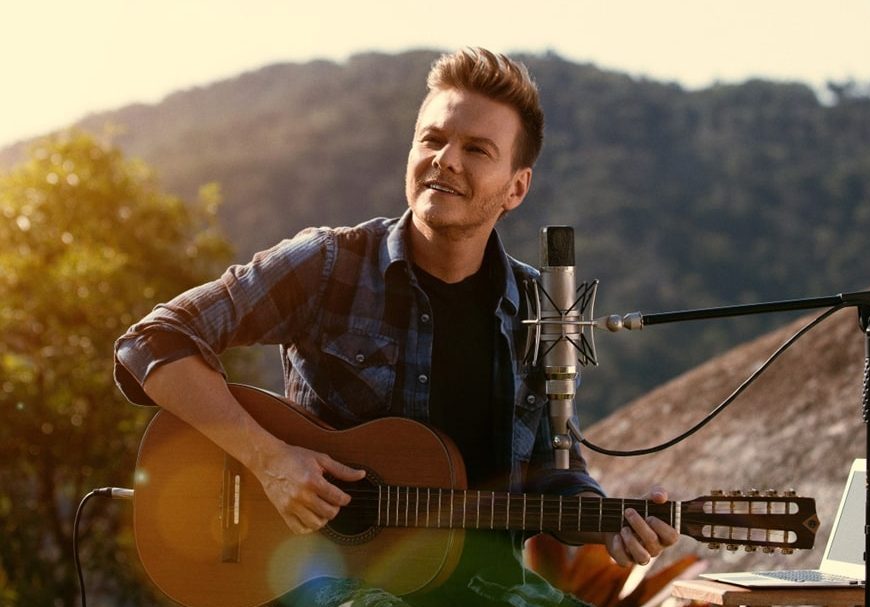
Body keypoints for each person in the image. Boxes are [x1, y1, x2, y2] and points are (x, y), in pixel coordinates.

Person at [114, 47, 679, 606]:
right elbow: (152, 342)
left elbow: (555, 473)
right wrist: (270, 460)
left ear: (516, 187)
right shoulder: (328, 265)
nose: (446, 160)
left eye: (477, 149)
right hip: (324, 582)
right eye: (432, 140)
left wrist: (611, 523)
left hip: (491, 590)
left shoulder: (540, 307)